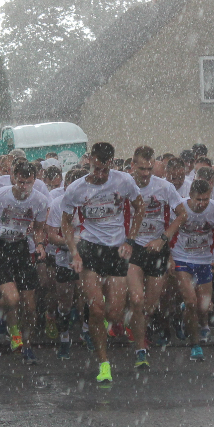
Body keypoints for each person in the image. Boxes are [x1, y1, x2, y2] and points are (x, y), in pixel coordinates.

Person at [61, 142, 144, 383]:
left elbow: (140, 207)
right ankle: (104, 362)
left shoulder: (123, 181)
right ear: (89, 161)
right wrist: (74, 252)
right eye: (96, 168)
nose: (100, 175)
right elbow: (66, 223)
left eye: (104, 170)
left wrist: (131, 239)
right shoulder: (76, 189)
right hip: (90, 248)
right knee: (96, 308)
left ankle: (107, 328)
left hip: (116, 250)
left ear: (111, 164)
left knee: (114, 313)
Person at [0, 161, 48, 365]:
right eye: (20, 182)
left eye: (28, 183)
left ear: (35, 180)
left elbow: (40, 228)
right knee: (12, 298)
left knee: (30, 305)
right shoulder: (0, 194)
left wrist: (40, 243)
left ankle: (27, 344)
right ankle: (15, 333)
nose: (23, 187)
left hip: (21, 248)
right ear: (14, 178)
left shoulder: (40, 200)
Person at [126, 146, 186, 369]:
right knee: (137, 299)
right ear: (133, 165)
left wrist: (163, 238)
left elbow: (182, 214)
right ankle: (140, 349)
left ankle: (137, 323)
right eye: (141, 169)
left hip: (157, 249)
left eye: (149, 169)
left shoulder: (164, 187)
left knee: (150, 306)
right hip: (134, 249)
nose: (145, 174)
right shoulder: (124, 185)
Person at [171, 180, 214, 361]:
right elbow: (168, 231)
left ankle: (188, 316)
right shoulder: (180, 208)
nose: (202, 203)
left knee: (204, 307)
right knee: (191, 302)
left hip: (204, 260)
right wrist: (169, 258)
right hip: (182, 258)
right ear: (191, 196)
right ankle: (195, 346)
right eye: (198, 199)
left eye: (205, 199)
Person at [45, 167, 87, 359]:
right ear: (66, 186)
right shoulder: (57, 204)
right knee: (65, 301)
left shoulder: (90, 203)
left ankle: (87, 330)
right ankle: (64, 337)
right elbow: (51, 236)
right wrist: (69, 243)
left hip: (87, 255)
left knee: (86, 296)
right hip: (63, 257)